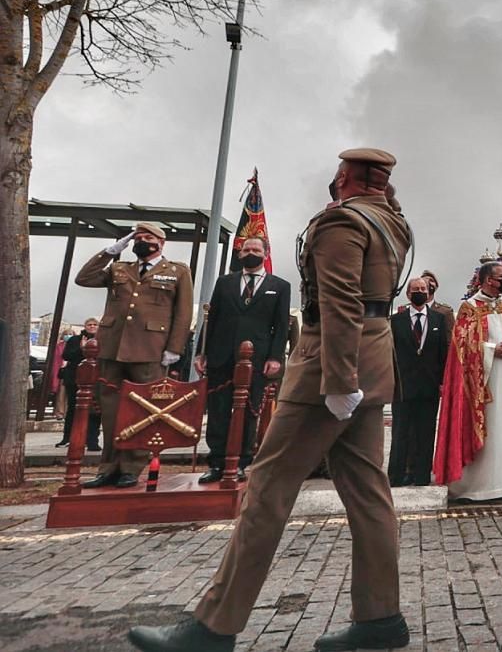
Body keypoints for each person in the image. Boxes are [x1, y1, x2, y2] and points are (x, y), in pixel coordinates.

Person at [127, 148, 413, 652]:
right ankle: (380, 618)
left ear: (344, 177)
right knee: (370, 496)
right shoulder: (394, 224)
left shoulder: (342, 223)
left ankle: (214, 626)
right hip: (374, 360)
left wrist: (340, 380)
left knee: (266, 490)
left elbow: (341, 300)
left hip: (330, 369)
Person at [75, 222, 194, 489]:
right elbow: (84, 278)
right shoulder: (120, 268)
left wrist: (174, 348)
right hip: (113, 348)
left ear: (161, 243)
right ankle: (108, 468)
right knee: (110, 411)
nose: (141, 241)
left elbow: (183, 313)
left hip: (149, 350)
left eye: (147, 237)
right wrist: (110, 251)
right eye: (137, 237)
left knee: (143, 412)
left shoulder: (177, 271)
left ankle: (131, 467)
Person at [193, 235, 290, 483]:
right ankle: (216, 462)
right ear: (240, 254)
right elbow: (211, 318)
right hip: (221, 353)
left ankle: (241, 461)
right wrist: (201, 352)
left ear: (265, 254)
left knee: (248, 410)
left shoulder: (279, 286)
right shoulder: (225, 283)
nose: (251, 252)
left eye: (256, 249)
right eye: (247, 249)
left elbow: (280, 327)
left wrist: (275, 357)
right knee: (218, 409)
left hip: (257, 358)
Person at [433, 261, 502, 502]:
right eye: (501, 277)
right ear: (488, 280)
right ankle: (480, 487)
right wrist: (491, 350)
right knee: (489, 430)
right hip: (482, 383)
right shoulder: (470, 308)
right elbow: (462, 347)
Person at [388, 277, 450, 487]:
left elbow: (444, 353)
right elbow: (390, 354)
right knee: (400, 433)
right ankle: (396, 476)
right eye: (416, 289)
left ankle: (422, 475)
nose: (420, 292)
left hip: (429, 387)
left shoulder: (438, 320)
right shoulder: (396, 321)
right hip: (403, 387)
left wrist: (442, 382)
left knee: (425, 433)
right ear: (408, 294)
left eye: (423, 289)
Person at [55, 318, 102, 451]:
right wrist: (81, 349)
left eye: (94, 325)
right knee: (72, 409)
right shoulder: (74, 340)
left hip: (95, 379)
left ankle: (92, 440)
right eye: (89, 324)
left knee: (94, 411)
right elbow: (66, 356)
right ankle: (67, 437)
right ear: (85, 326)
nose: (92, 327)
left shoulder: (102, 340)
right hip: (75, 379)